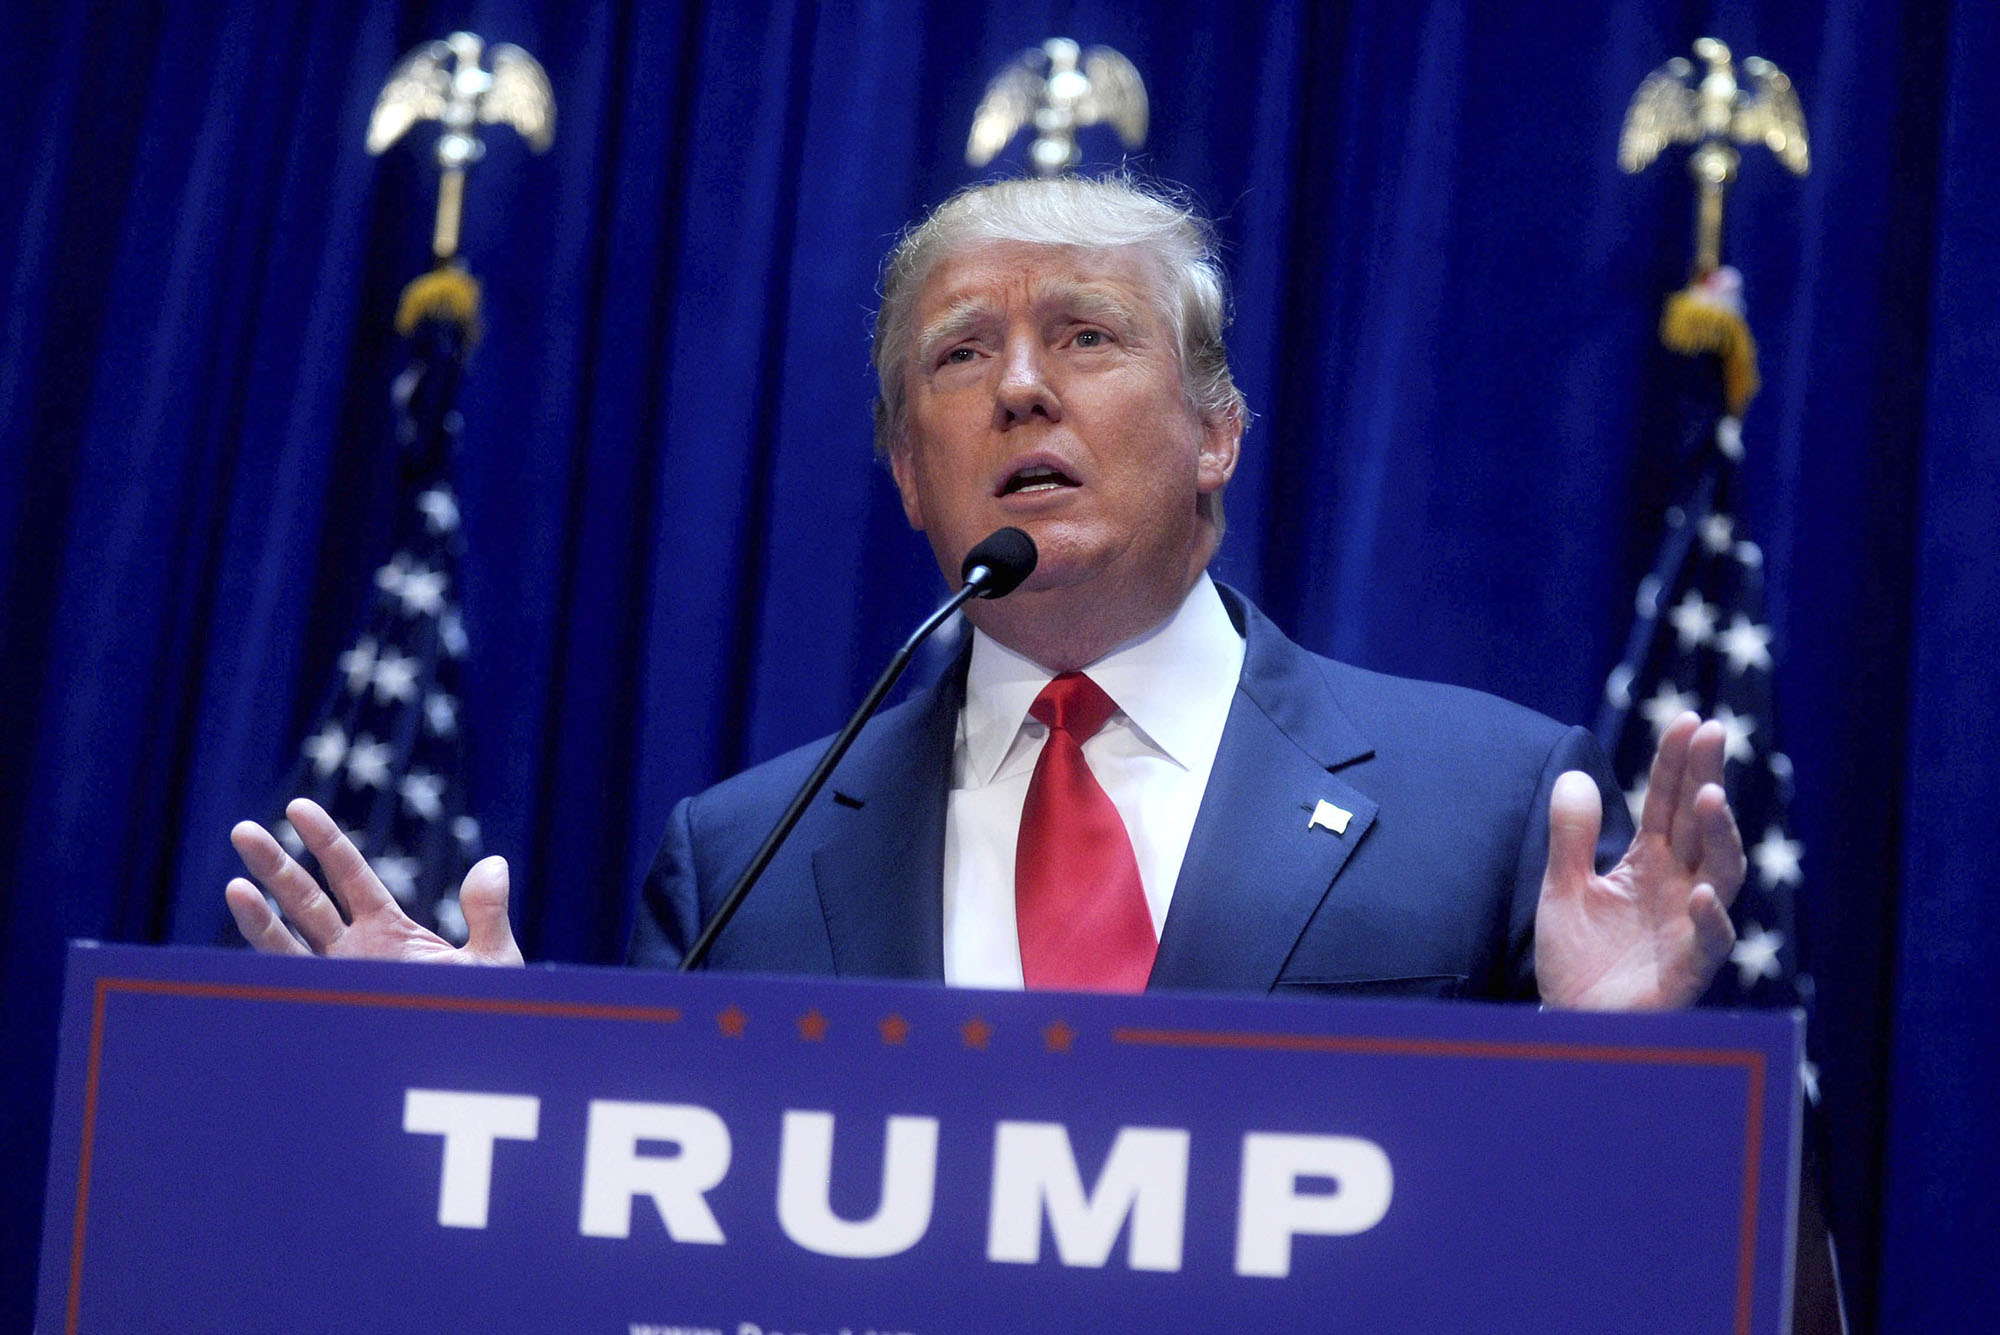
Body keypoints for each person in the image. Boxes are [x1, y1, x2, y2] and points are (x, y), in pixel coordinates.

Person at [226, 174, 1744, 1010]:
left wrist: (1612, 1075)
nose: (1020, 387)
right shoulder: (740, 862)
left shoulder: (1485, 798)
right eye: (960, 356)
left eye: (1086, 336)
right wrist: (518, 1103)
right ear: (906, 470)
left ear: (1218, 432)